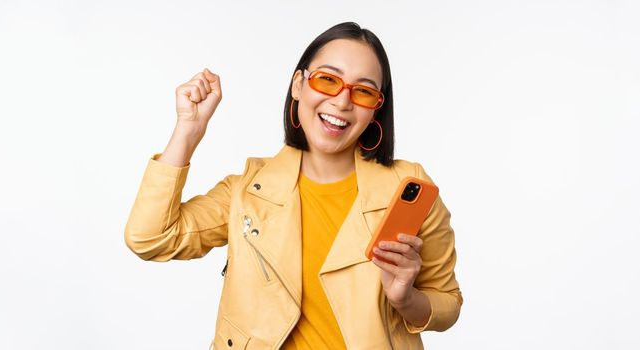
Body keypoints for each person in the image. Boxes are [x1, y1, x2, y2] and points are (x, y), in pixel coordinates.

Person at [124, 22, 462, 349]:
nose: (342, 102)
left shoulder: (407, 190)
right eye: (328, 79)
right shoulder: (247, 192)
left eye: (362, 91)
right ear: (298, 85)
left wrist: (407, 299)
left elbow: (447, 302)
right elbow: (150, 238)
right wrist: (188, 130)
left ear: (376, 109)